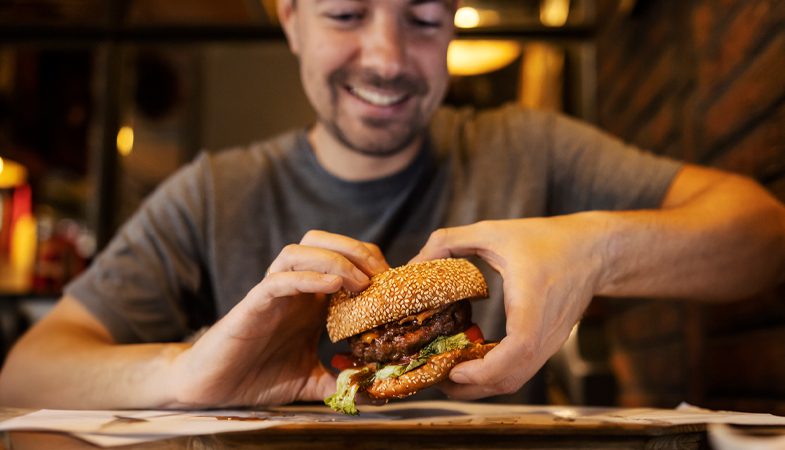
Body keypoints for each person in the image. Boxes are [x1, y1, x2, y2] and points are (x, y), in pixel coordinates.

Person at [1, 0, 784, 409]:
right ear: (290, 20)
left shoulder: (528, 146)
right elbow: (24, 376)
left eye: (422, 19)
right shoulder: (213, 192)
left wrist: (598, 248)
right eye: (345, 13)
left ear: (450, 26)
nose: (385, 56)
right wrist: (187, 369)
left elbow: (763, 236)